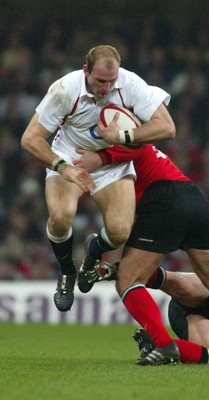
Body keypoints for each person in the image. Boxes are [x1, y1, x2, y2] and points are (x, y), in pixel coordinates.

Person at [73, 143, 209, 365]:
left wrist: (99, 158)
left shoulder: (116, 142)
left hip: (164, 199)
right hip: (194, 197)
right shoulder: (134, 138)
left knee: (128, 280)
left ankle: (162, 343)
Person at [20, 45, 175, 312]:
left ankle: (94, 250)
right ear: (86, 71)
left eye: (111, 81)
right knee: (60, 216)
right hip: (69, 156)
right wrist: (63, 167)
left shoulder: (130, 84)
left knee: (119, 232)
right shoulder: (65, 89)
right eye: (100, 81)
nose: (106, 88)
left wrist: (122, 138)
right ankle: (67, 271)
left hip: (111, 160)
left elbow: (167, 127)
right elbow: (30, 138)